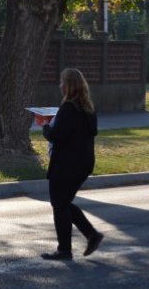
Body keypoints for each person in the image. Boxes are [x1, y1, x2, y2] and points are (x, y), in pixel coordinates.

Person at [40, 68, 104, 260]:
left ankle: (65, 249)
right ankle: (91, 235)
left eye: (62, 82)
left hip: (66, 164)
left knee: (59, 204)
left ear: (69, 86)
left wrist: (45, 126)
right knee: (64, 203)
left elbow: (57, 135)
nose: (60, 86)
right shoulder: (87, 108)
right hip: (84, 163)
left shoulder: (68, 108)